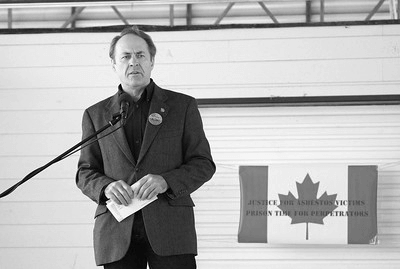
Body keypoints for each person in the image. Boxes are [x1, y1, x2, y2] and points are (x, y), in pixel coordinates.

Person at [76, 25, 216, 269]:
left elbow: (203, 164)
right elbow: (85, 173)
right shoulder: (95, 115)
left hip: (171, 230)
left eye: (140, 55)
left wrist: (166, 181)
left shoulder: (182, 107)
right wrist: (107, 187)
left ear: (152, 60)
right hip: (117, 233)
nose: (133, 62)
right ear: (114, 64)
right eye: (126, 56)